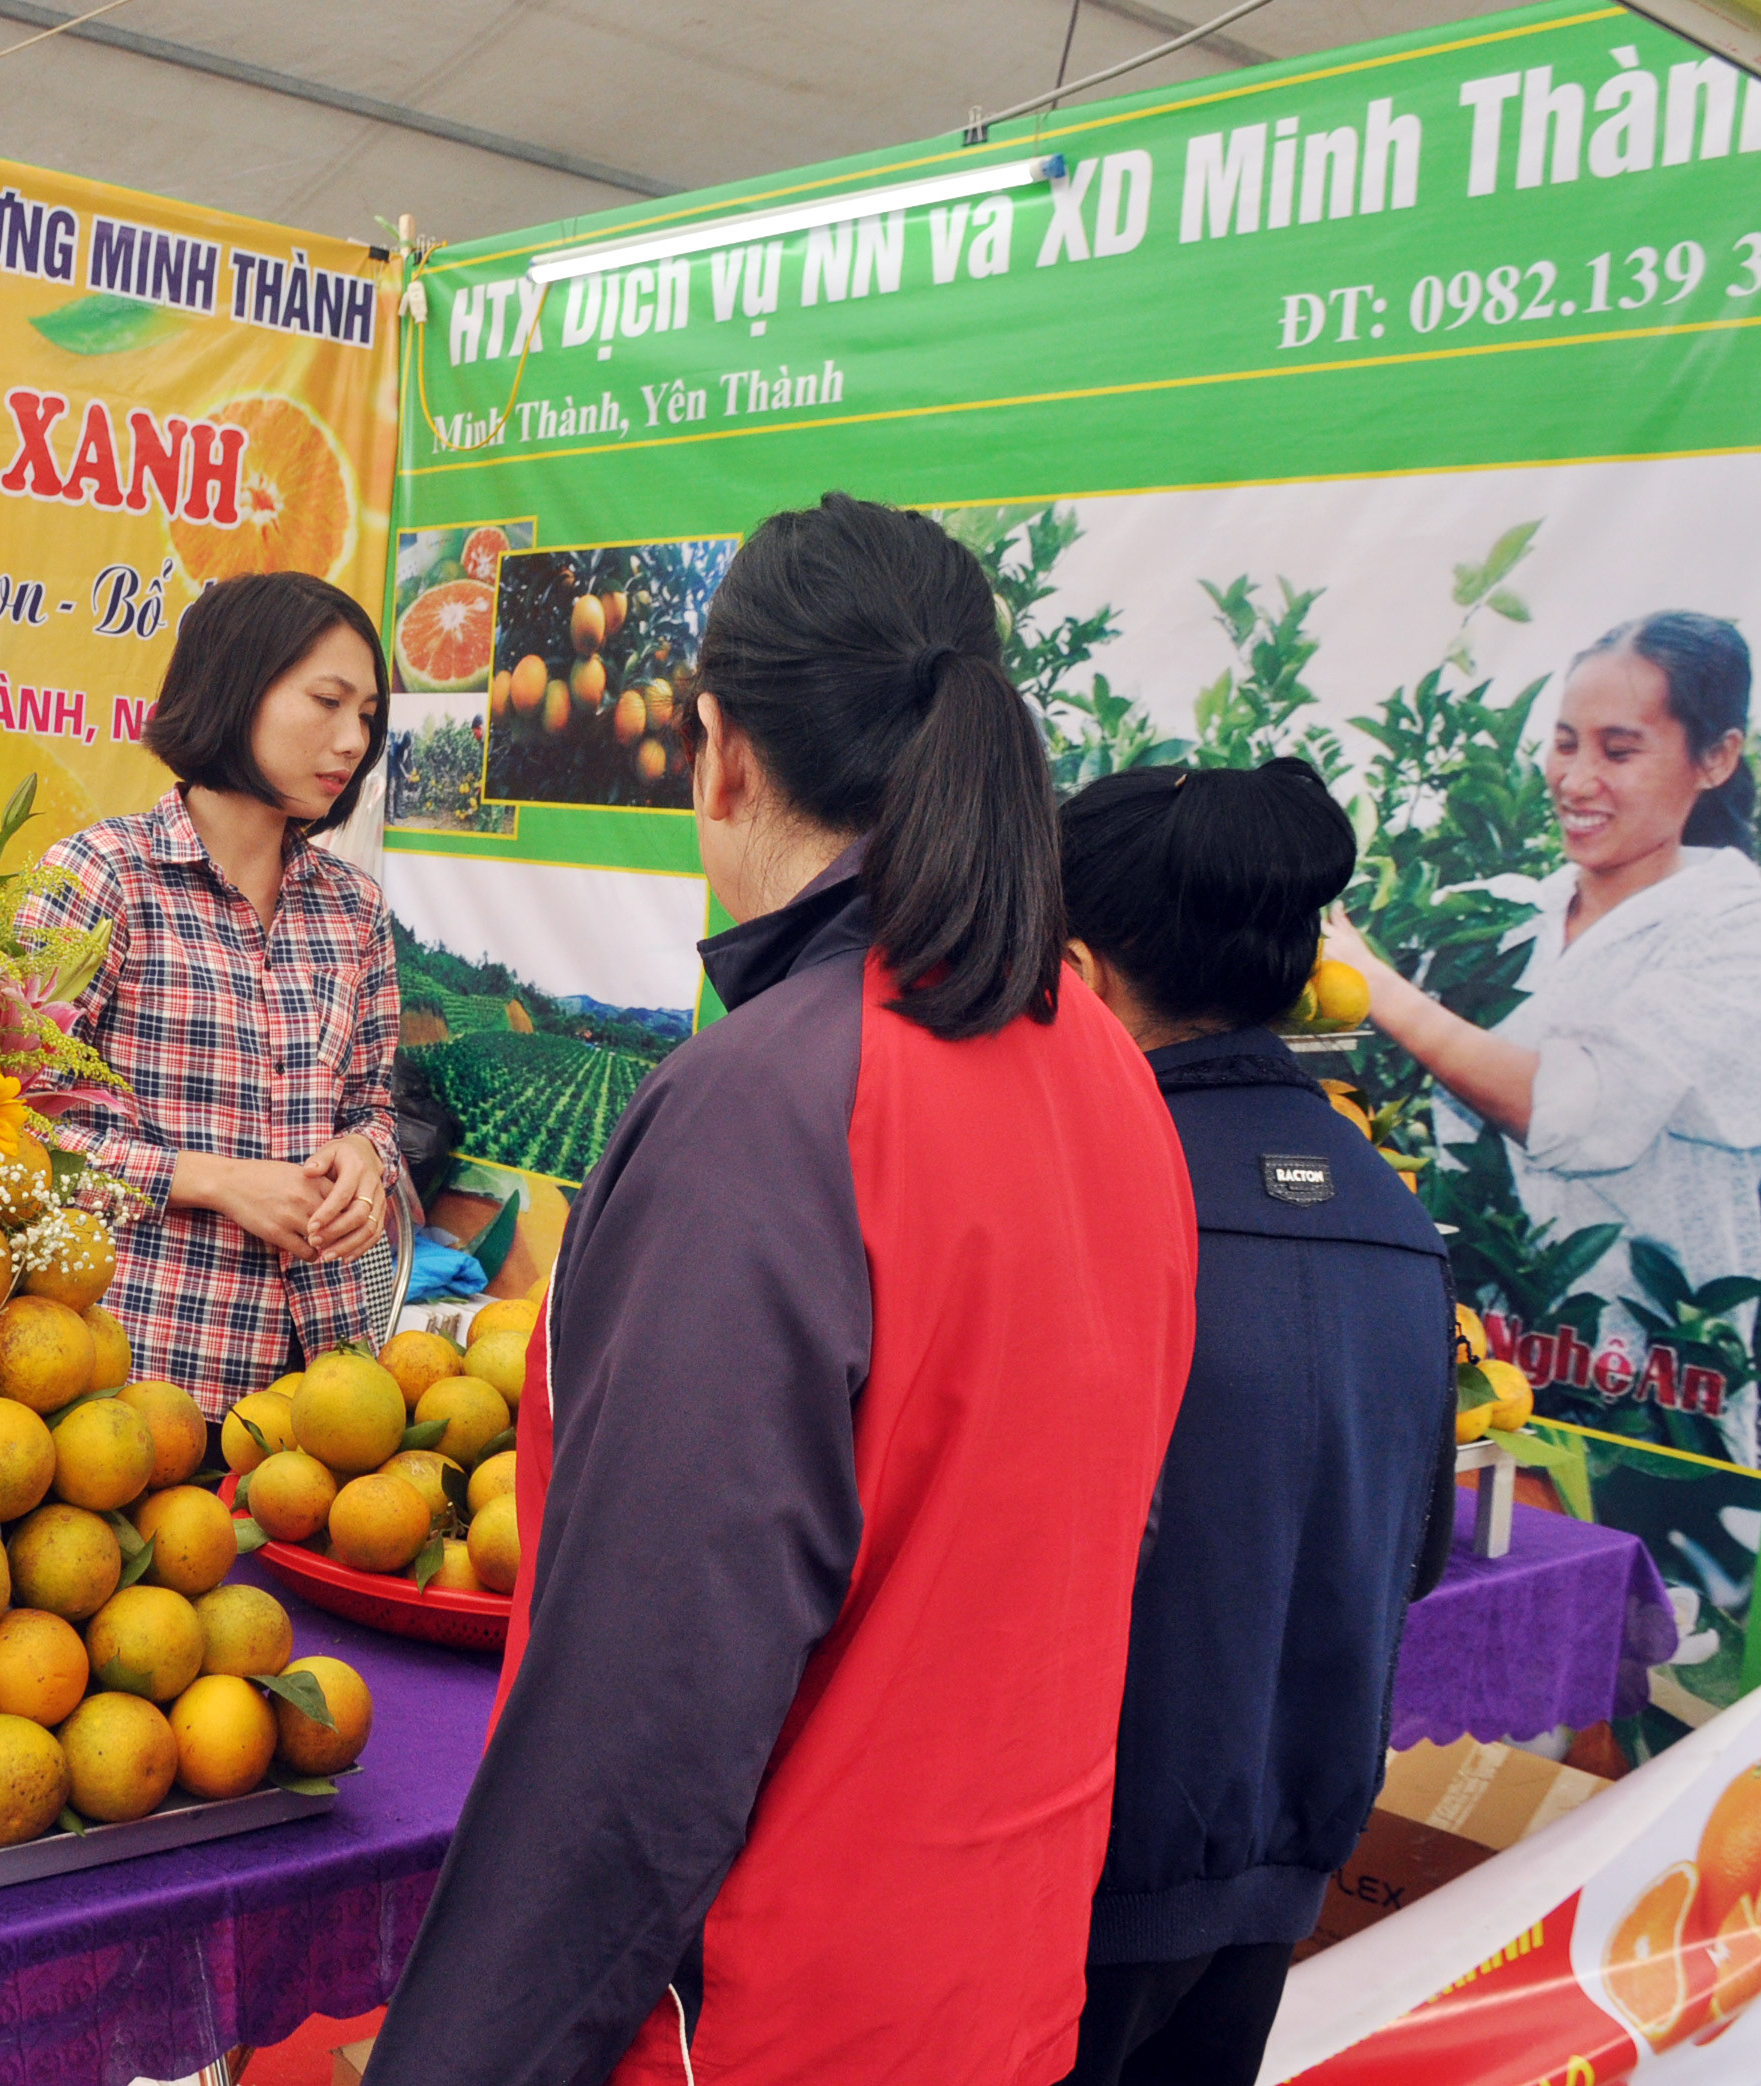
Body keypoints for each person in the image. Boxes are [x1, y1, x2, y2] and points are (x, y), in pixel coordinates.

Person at [368, 495, 1198, 2086]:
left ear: (721, 750)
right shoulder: (1100, 1066)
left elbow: (645, 1704)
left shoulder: (777, 1099)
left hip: (762, 2019)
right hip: (994, 1986)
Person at [1053, 759, 1457, 2086]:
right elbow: (1417, 1557)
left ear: (1079, 971)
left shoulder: (1090, 1201)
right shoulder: (1395, 1220)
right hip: (1278, 1861)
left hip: (1078, 1869)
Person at [1323, 612, 1761, 1464]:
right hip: (1474, 1378)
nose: (1576, 778)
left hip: (1647, 1399)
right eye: (1563, 743)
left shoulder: (1747, 933)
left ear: (1717, 758)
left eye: (1618, 751)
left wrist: (1382, 991)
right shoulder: (1510, 912)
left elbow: (1575, 1117)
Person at [16, 572, 399, 1417]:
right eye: (328, 702)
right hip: (135, 1380)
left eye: (367, 716)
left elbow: (374, 1106)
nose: (352, 742)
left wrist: (367, 1159)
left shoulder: (354, 909)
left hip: (326, 1391)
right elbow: (12, 1136)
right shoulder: (103, 878)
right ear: (235, 687)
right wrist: (216, 1180)